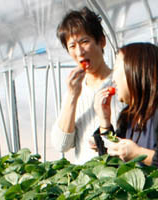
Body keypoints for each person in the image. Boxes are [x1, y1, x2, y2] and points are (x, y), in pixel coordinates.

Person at [51, 7, 119, 164]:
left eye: (84, 41)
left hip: (121, 176)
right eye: (72, 46)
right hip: (87, 182)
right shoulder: (74, 92)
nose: (80, 52)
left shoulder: (120, 84)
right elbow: (61, 144)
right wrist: (72, 96)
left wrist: (104, 140)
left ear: (102, 41)